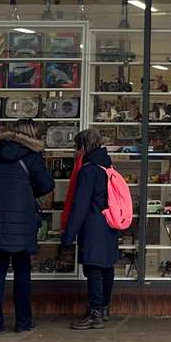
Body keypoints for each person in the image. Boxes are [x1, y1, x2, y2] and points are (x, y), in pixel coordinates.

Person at [0, 119, 54, 336]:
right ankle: (23, 321)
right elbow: (47, 185)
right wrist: (29, 194)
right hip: (21, 223)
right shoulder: (32, 157)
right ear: (31, 135)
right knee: (22, 272)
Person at [59, 127, 120, 330]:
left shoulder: (88, 170)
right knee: (107, 268)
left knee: (93, 268)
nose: (76, 152)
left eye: (77, 147)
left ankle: (95, 313)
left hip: (93, 225)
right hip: (109, 222)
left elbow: (80, 206)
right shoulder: (107, 167)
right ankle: (104, 308)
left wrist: (68, 236)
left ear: (83, 147)